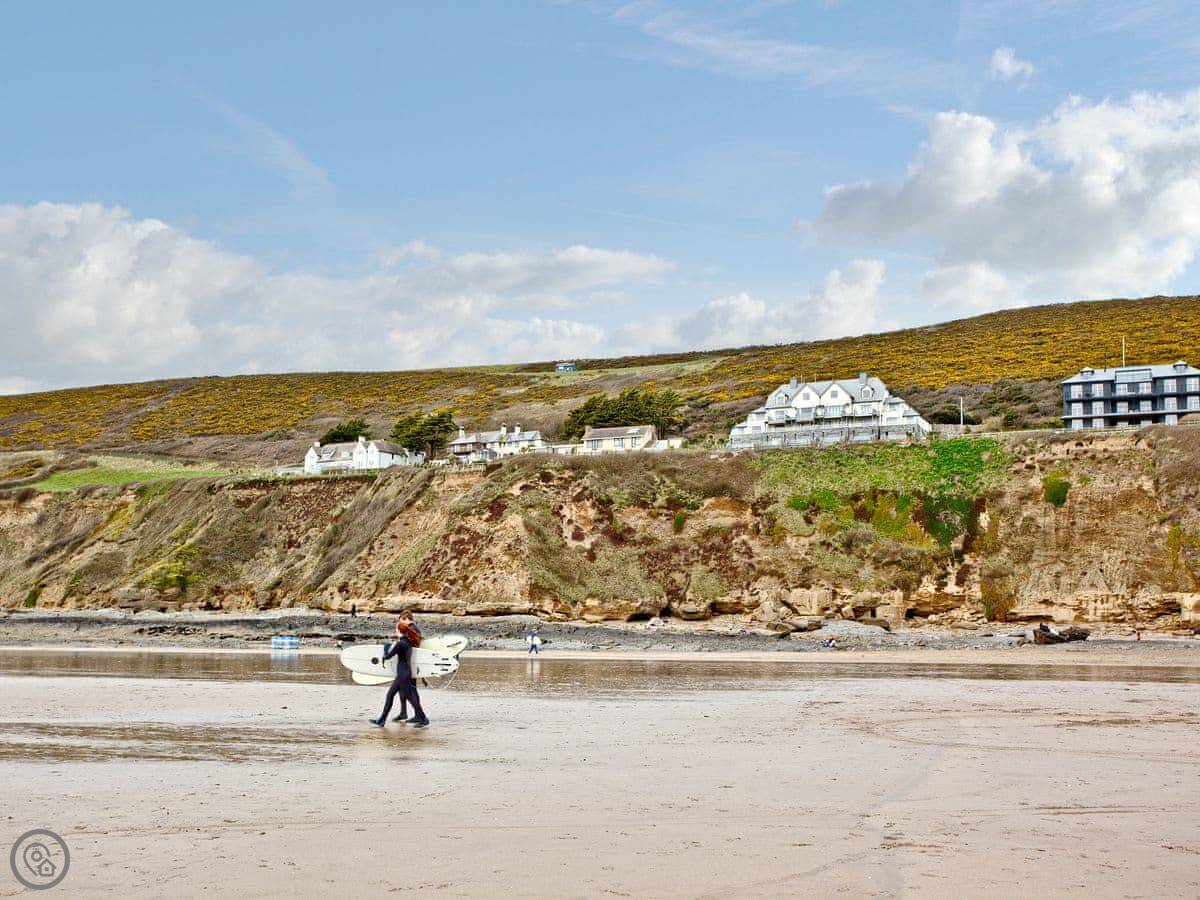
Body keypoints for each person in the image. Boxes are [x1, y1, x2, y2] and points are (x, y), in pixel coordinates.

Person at [370, 612, 429, 728]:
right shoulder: (408, 642)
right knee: (392, 695)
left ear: (400, 631)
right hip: (404, 673)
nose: (395, 631)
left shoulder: (401, 643)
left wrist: (386, 648)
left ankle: (423, 718)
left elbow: (387, 656)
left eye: (396, 629)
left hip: (402, 674)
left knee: (409, 697)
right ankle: (382, 720)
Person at [391, 615, 423, 723]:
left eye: (401, 621)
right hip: (409, 664)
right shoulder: (413, 628)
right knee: (405, 690)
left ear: (405, 618)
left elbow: (407, 645)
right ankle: (404, 712)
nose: (400, 624)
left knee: (411, 691)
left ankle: (419, 716)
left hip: (408, 665)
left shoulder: (412, 629)